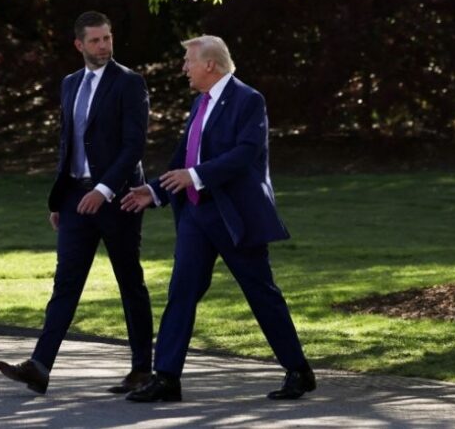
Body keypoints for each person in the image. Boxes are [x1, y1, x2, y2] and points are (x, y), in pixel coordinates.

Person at [120, 35, 314, 402]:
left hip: (234, 215)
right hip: (196, 216)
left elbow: (245, 154)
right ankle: (167, 378)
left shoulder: (248, 100)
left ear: (209, 64)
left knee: (261, 292)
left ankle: (298, 370)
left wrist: (194, 176)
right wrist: (156, 191)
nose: (184, 68)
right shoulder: (200, 103)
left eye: (188, 61)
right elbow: (184, 158)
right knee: (181, 291)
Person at [0, 11, 154, 395]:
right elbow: (68, 143)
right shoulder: (69, 84)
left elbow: (134, 145)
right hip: (73, 199)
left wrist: (104, 189)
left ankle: (141, 370)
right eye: (95, 40)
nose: (103, 46)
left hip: (118, 199)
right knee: (65, 283)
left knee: (129, 282)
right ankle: (40, 366)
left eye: (107, 38)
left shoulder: (129, 82)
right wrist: (60, 199)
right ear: (79, 44)